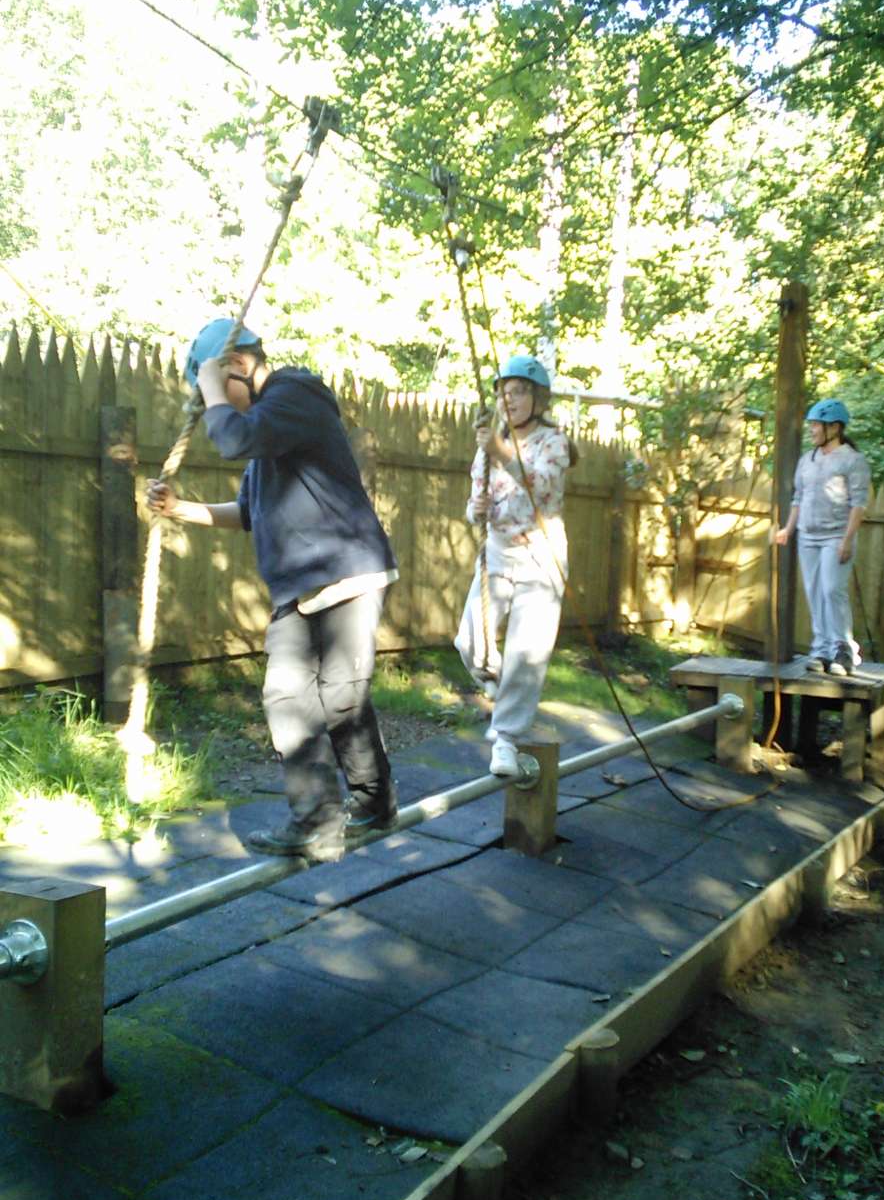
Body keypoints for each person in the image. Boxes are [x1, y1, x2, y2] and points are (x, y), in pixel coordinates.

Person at [146, 318, 398, 858]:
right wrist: (179, 509)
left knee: (342, 697)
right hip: (299, 589)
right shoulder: (268, 430)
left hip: (347, 571)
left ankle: (373, 801)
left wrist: (212, 390)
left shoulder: (296, 394)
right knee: (285, 696)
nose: (214, 407)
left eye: (215, 389)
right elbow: (246, 512)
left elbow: (233, 438)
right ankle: (317, 822)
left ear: (238, 365)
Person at [455, 354, 575, 776]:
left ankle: (505, 740)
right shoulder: (490, 445)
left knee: (527, 653)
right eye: (504, 393)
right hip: (498, 551)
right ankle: (500, 684)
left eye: (520, 392)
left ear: (539, 399)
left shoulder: (554, 443)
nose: (510, 400)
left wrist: (499, 450)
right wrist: (475, 509)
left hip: (540, 557)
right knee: (470, 641)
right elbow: (476, 497)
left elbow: (540, 484)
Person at [774, 398, 871, 676]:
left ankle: (844, 650)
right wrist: (788, 529)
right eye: (812, 424)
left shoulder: (852, 460)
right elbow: (798, 498)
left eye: (816, 425)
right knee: (815, 593)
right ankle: (822, 650)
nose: (812, 430)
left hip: (836, 536)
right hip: (808, 536)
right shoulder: (808, 460)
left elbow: (859, 504)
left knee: (832, 590)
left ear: (834, 428)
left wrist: (847, 540)